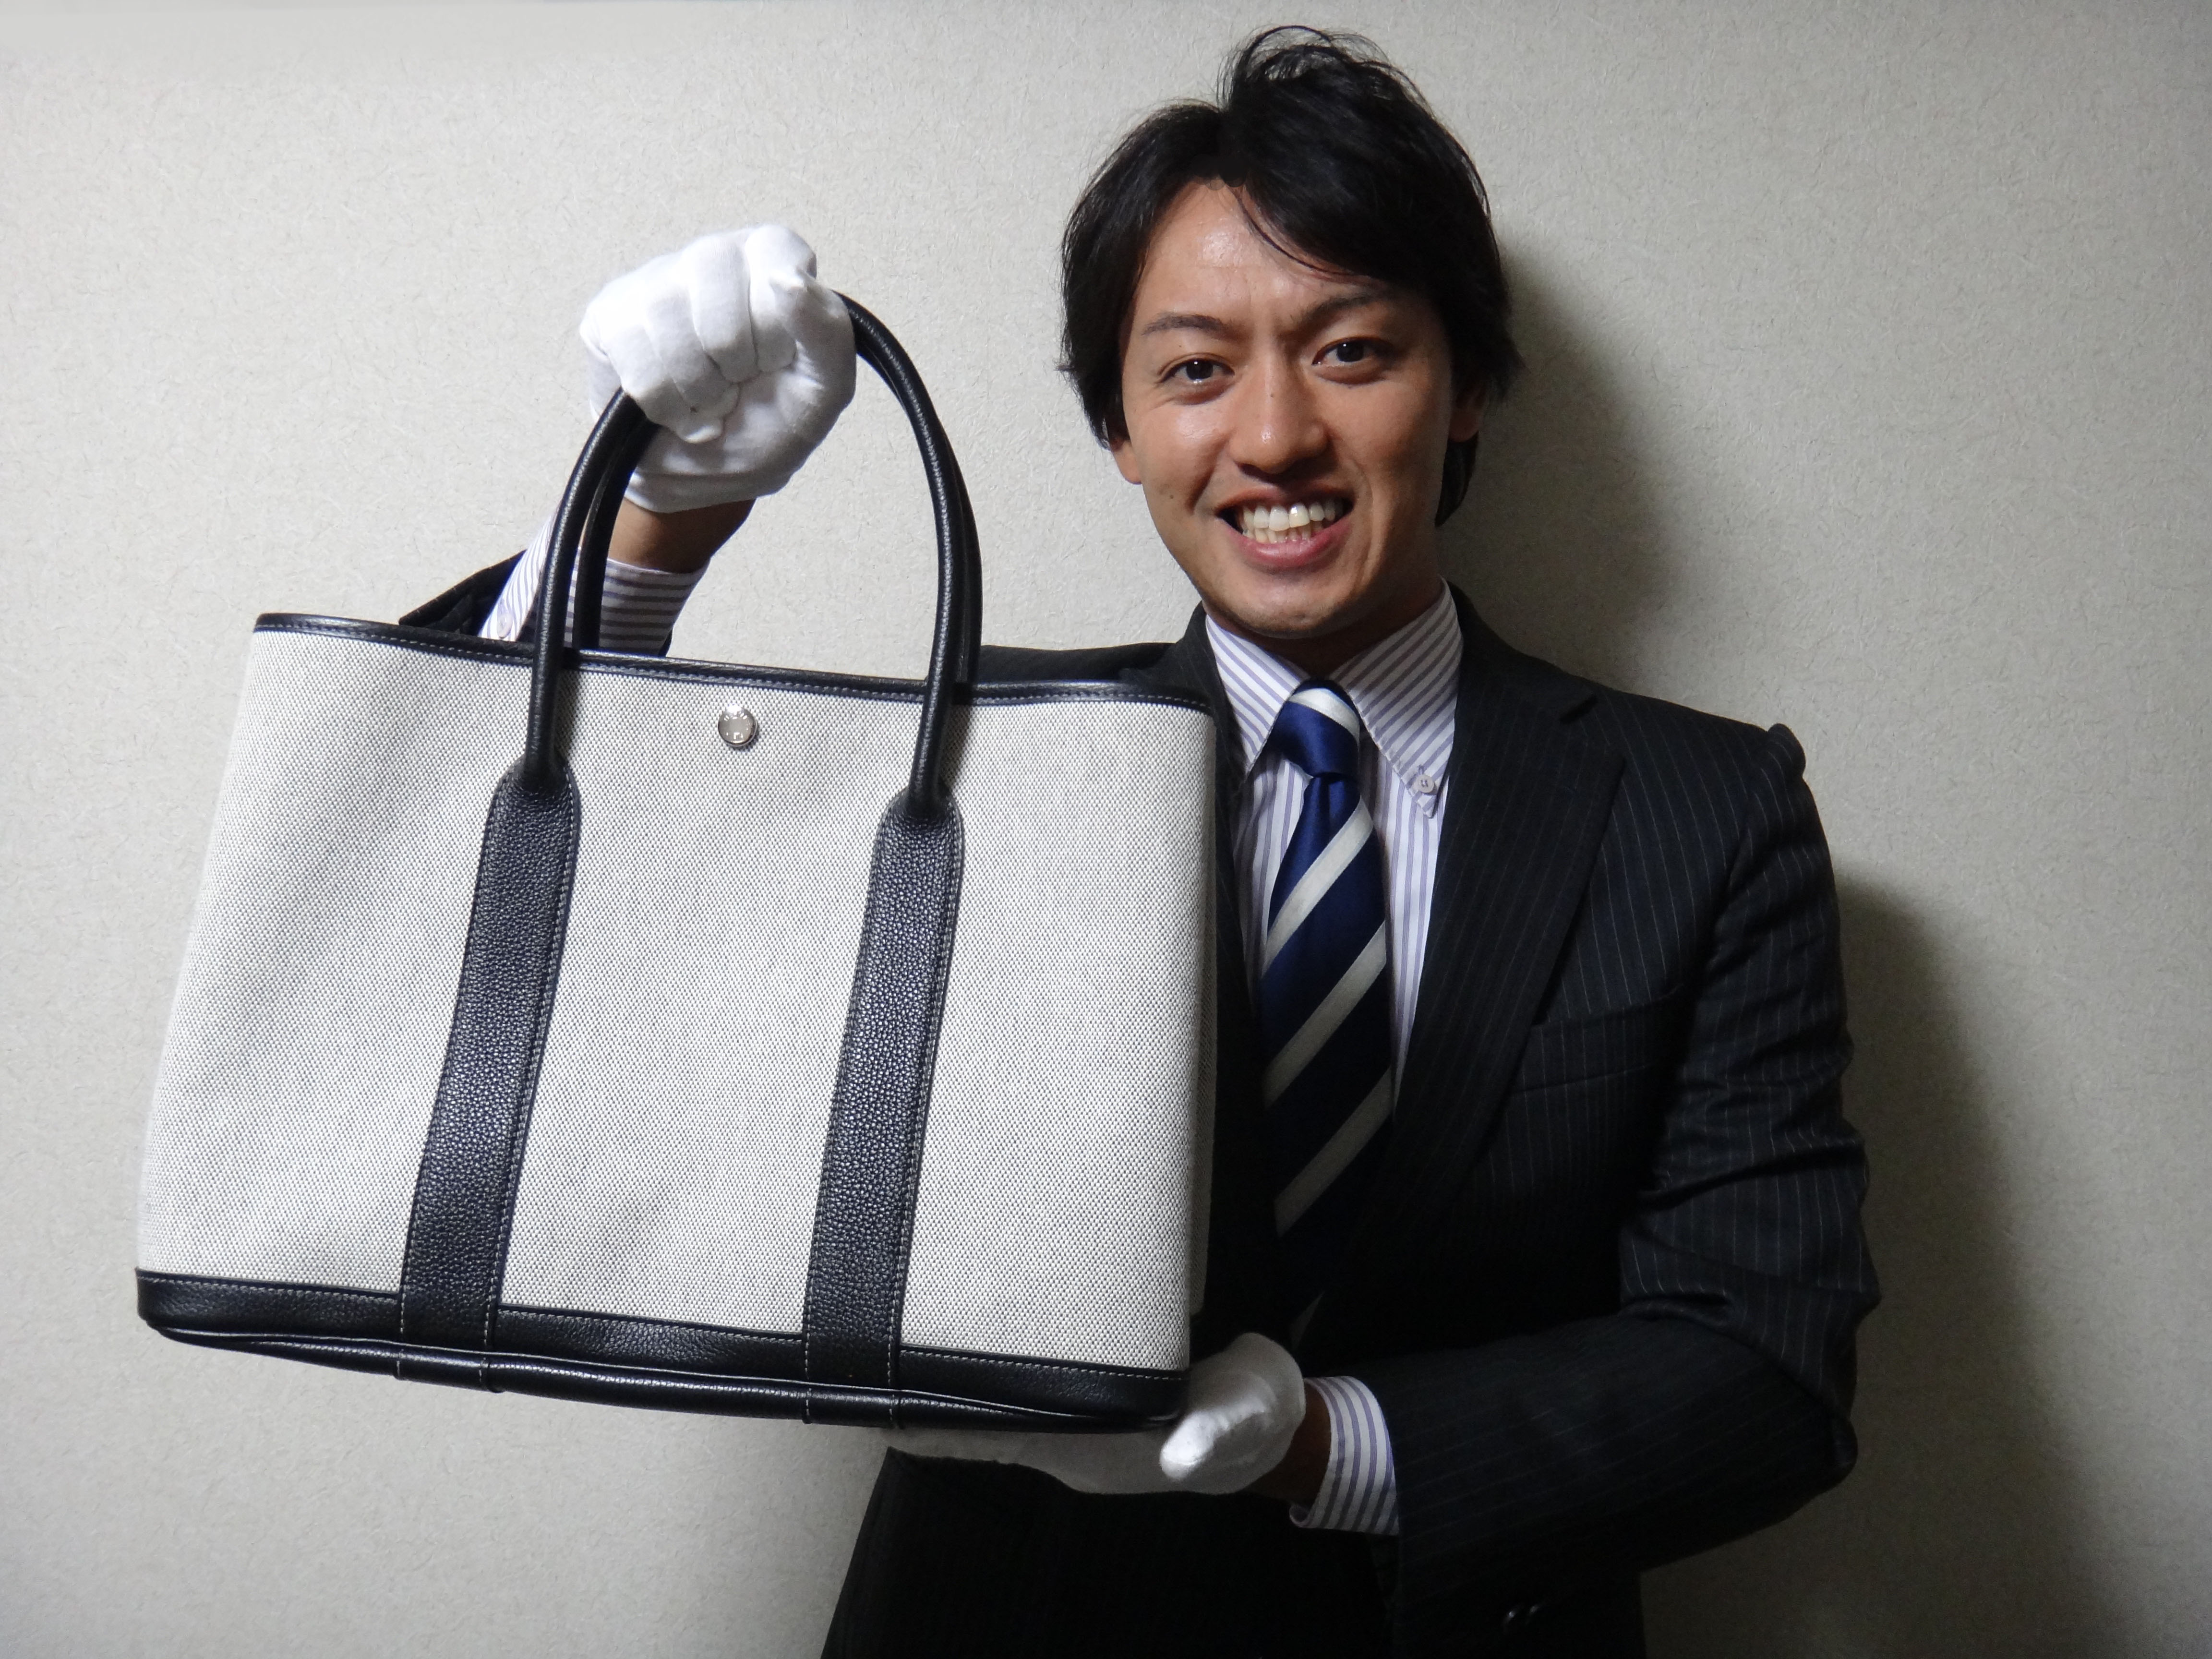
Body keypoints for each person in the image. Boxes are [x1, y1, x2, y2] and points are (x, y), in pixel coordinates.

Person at [407, 27, 1877, 1658]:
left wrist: (1320, 1446)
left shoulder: (1708, 814)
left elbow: (1766, 1366)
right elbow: (508, 954)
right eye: (1193, 371)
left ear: (1468, 386)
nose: (1275, 437)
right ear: (1118, 422)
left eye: (1352, 351)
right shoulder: (966, 765)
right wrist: (653, 528)